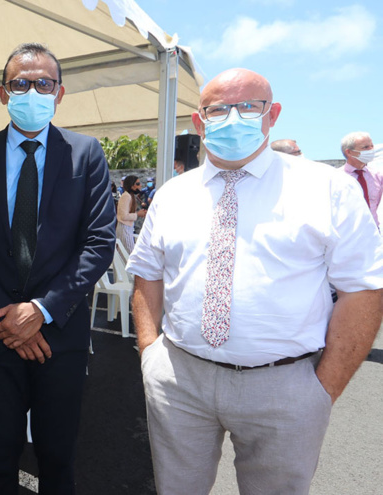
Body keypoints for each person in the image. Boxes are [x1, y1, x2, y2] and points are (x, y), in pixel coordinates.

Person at [127, 68, 383, 494]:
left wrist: (323, 388)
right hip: (180, 380)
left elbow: (363, 289)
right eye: (219, 109)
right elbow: (148, 275)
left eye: (249, 106)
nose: (233, 118)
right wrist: (150, 353)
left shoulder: (325, 188)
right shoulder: (173, 193)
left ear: (272, 114)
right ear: (199, 121)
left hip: (285, 387)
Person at [0, 42, 116, 494]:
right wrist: (6, 313)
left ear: (59, 93)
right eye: (21, 83)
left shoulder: (87, 153)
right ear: (4, 93)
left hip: (61, 333)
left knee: (58, 457)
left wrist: (41, 309)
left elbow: (98, 243)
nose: (32, 91)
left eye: (44, 83)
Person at [340, 131, 382, 226]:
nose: (371, 150)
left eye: (372, 146)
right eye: (365, 147)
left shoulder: (377, 176)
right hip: (348, 234)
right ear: (349, 152)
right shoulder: (337, 177)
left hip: (374, 233)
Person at [116, 175, 145, 252]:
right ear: (131, 186)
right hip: (124, 228)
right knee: (128, 255)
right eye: (137, 184)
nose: (140, 185)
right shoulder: (126, 196)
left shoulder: (129, 196)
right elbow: (123, 216)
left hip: (127, 228)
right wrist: (138, 214)